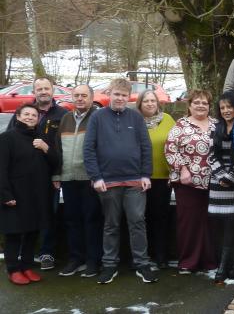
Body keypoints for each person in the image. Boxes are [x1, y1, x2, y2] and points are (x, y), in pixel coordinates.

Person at [83, 78, 156, 284]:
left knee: (137, 222)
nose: (120, 98)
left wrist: (145, 174)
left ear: (128, 97)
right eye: (117, 94)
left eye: (124, 95)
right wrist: (96, 177)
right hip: (107, 182)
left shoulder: (136, 117)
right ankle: (110, 265)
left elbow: (145, 147)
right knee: (111, 224)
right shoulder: (97, 117)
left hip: (135, 181)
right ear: (110, 94)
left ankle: (142, 264)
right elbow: (89, 149)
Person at [6, 76, 68, 271]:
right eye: (39, 88)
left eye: (46, 88)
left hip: (49, 178)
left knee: (48, 216)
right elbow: (9, 147)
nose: (43, 91)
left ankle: (46, 252)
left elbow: (62, 149)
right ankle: (20, 262)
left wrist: (57, 174)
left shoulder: (63, 114)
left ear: (52, 90)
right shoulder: (23, 114)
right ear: (34, 91)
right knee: (22, 220)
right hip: (22, 181)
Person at [0, 104, 59, 285]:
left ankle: (26, 266)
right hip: (16, 195)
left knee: (33, 232)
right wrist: (5, 194)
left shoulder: (41, 137)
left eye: (34, 115)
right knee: (15, 233)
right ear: (18, 116)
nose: (30, 117)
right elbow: (1, 169)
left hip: (38, 194)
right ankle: (13, 269)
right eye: (26, 114)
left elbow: (56, 162)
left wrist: (46, 148)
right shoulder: (7, 138)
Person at [164, 89, 217, 274]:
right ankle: (188, 262)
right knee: (189, 222)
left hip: (213, 182)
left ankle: (208, 261)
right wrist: (182, 169)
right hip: (187, 182)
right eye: (197, 102)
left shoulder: (215, 125)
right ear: (189, 105)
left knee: (209, 222)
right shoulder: (181, 125)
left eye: (205, 103)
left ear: (209, 106)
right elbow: (170, 149)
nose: (201, 106)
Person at [54, 85, 103, 278]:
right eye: (77, 95)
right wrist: (57, 175)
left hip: (90, 178)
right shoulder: (65, 118)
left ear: (91, 98)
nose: (80, 98)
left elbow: (102, 148)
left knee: (92, 219)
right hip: (68, 177)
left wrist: (98, 175)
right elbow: (57, 148)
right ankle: (76, 258)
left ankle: (93, 260)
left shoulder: (98, 117)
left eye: (84, 95)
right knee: (72, 220)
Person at [208, 91, 234, 283]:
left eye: (229, 107)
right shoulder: (215, 128)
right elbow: (210, 156)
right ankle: (230, 265)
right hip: (219, 183)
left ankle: (226, 267)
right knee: (224, 225)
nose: (225, 111)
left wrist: (232, 176)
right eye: (222, 107)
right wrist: (221, 176)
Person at [136, 90, 175, 270]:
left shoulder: (167, 119)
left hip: (162, 178)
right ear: (140, 104)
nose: (150, 104)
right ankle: (144, 255)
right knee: (140, 218)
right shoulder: (134, 121)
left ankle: (161, 255)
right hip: (139, 178)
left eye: (153, 100)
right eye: (146, 101)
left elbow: (176, 145)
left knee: (160, 217)